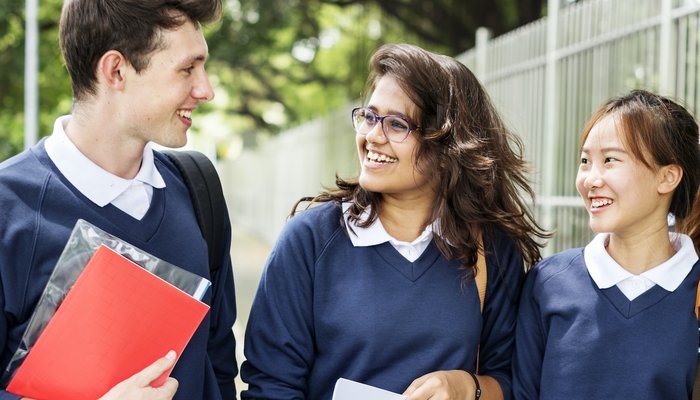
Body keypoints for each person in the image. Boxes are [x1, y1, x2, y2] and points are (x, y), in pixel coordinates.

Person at [240, 43, 548, 400]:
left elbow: (514, 382)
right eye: (369, 117)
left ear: (448, 146)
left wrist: (467, 387)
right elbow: (272, 386)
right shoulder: (309, 241)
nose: (372, 136)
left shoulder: (490, 250)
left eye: (397, 124)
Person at [0, 0, 238, 399]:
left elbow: (218, 364)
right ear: (116, 70)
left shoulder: (199, 191)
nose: (206, 90)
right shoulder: (8, 210)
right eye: (187, 69)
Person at [512, 89, 700, 399]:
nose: (590, 179)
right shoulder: (548, 282)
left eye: (610, 160)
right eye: (585, 161)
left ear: (667, 178)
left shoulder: (693, 291)